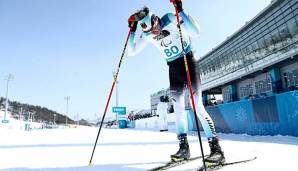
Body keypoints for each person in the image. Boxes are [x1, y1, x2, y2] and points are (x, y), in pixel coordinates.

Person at [127, 0, 225, 164]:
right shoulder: (147, 34)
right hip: (173, 68)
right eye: (151, 32)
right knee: (179, 109)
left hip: (188, 62)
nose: (155, 33)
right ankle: (184, 148)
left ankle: (216, 150)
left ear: (156, 19)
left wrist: (181, 10)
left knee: (197, 106)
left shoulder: (170, 18)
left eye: (155, 28)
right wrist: (132, 31)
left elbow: (196, 32)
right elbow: (131, 51)